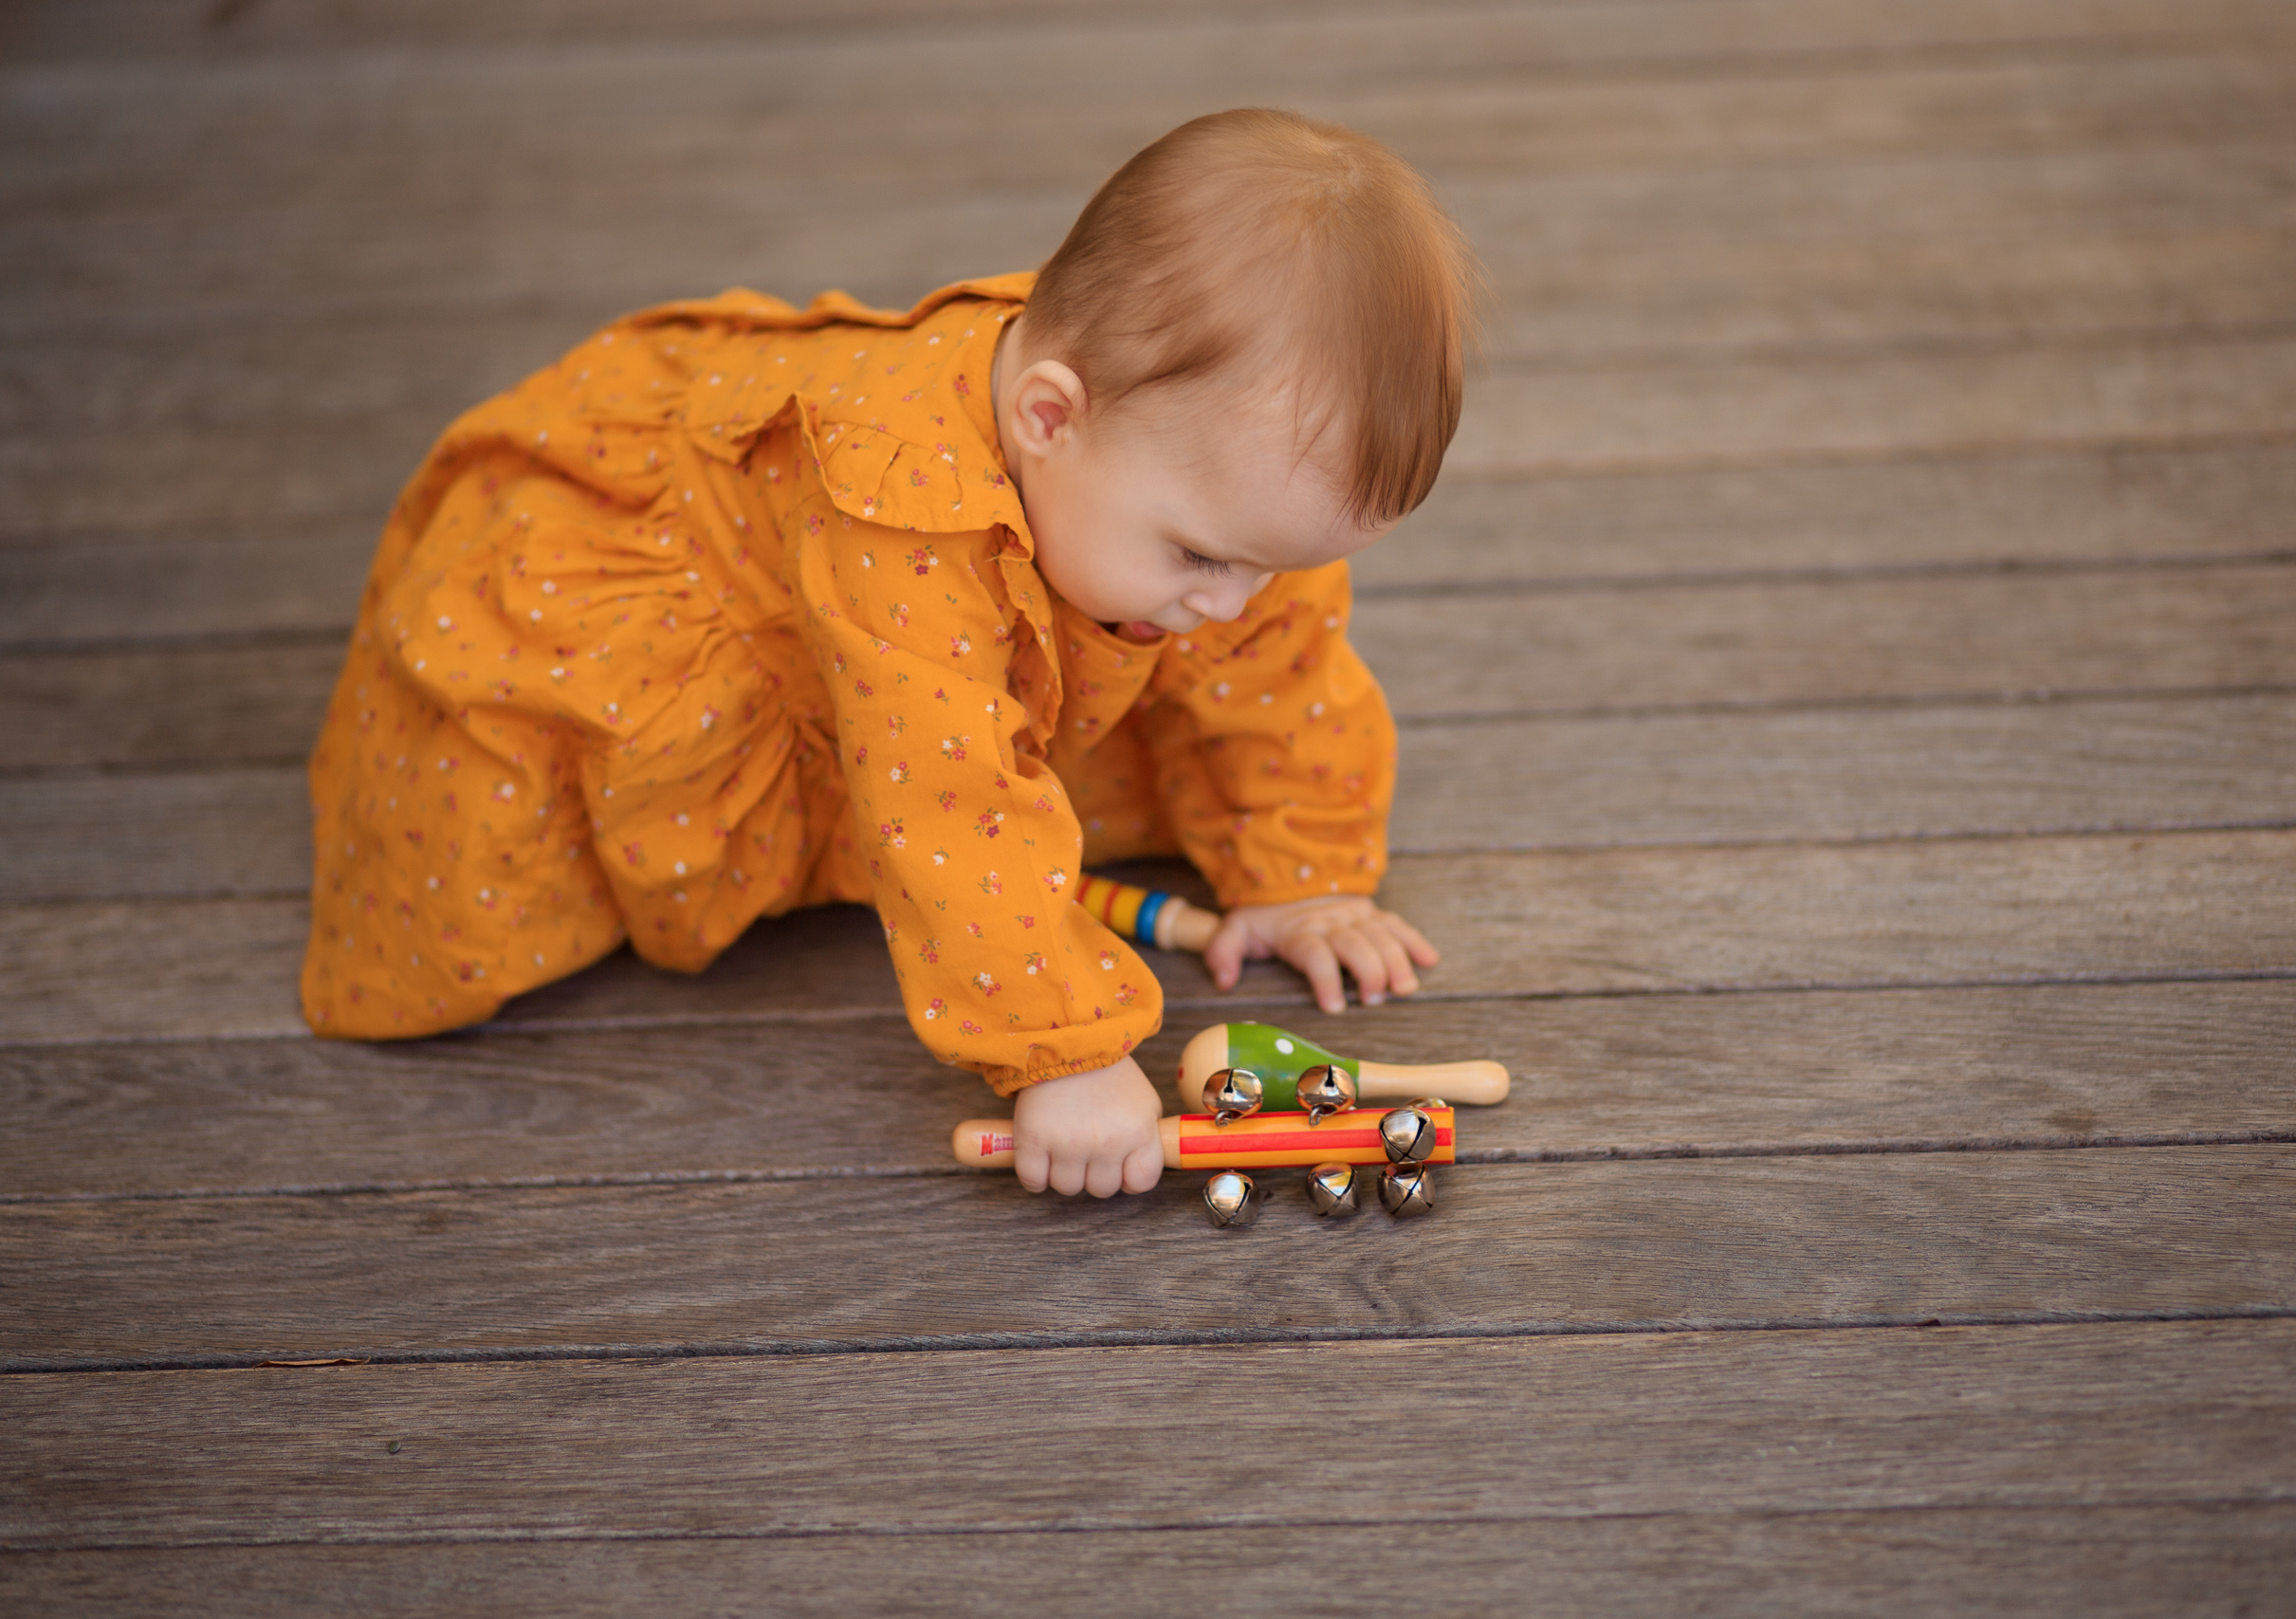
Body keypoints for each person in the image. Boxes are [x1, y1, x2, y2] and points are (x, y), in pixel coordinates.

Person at [302, 107, 1479, 1199]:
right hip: (640, 602)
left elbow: (1283, 676)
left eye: (1273, 562)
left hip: (914, 645)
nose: (1234, 602)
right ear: (1049, 419)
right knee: (486, 870)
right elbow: (947, 793)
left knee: (1128, 737)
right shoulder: (898, 499)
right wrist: (1061, 1054)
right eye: (1200, 558)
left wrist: (1302, 871)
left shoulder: (1197, 473)